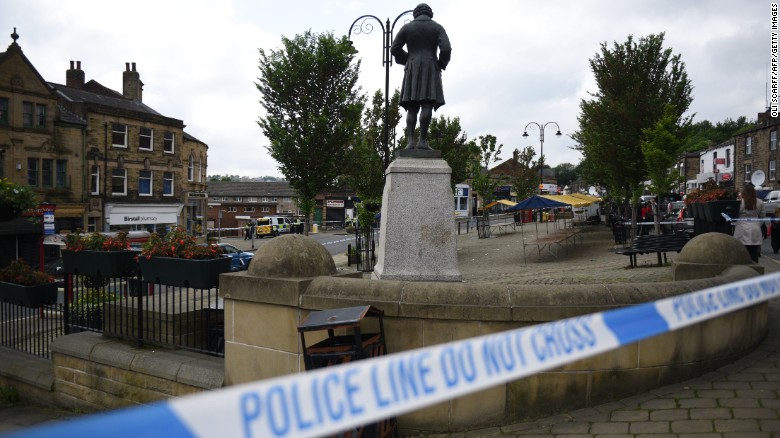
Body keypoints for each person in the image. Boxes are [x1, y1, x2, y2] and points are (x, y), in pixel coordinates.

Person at [390, 3, 451, 150]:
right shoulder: (437, 27)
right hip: (430, 67)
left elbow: (394, 48)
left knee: (412, 107)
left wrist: (407, 59)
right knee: (427, 104)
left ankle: (411, 142)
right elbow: (446, 48)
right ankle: (422, 141)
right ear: (430, 13)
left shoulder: (407, 28)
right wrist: (441, 63)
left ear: (415, 14)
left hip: (412, 68)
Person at [733, 183, 764, 262]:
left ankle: (744, 272)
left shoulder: (740, 202)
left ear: (743, 192)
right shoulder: (760, 202)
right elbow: (762, 216)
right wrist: (757, 225)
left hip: (741, 229)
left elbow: (735, 214)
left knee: (742, 254)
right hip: (755, 229)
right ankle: (755, 271)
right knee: (754, 254)